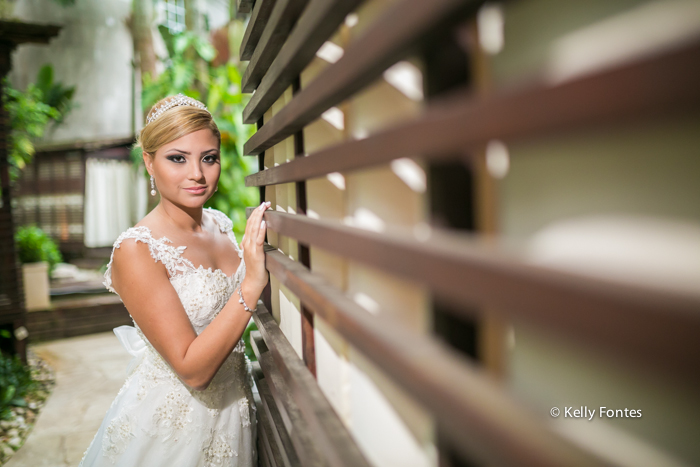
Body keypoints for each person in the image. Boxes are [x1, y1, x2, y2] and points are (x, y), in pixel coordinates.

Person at [79, 94, 270, 466]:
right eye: (177, 158)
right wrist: (251, 285)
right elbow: (193, 370)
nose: (197, 174)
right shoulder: (136, 250)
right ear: (149, 161)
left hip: (235, 414)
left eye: (209, 158)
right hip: (176, 430)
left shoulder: (221, 224)